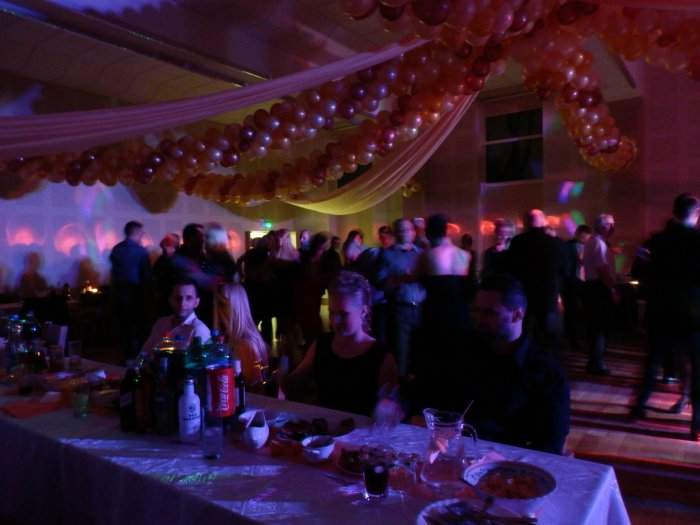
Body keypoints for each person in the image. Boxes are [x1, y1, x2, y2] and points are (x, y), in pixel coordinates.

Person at [460, 275, 570, 454]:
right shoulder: (467, 352)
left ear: (517, 315)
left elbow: (552, 442)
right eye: (476, 311)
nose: (479, 319)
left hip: (514, 462)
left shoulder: (545, 371)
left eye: (489, 313)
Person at [282, 271, 399, 416]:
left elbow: (391, 410)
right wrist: (282, 367)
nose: (334, 321)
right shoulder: (322, 344)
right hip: (324, 427)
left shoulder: (381, 357)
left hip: (361, 430)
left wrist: (389, 405)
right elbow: (293, 384)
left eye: (343, 314)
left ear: (363, 311)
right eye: (331, 312)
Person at [632, 194, 700, 440]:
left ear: (674, 211)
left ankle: (639, 406)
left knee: (652, 362)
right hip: (692, 315)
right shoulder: (698, 241)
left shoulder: (656, 240)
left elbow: (638, 271)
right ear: (696, 213)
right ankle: (697, 424)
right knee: (697, 367)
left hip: (660, 311)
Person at [414, 214, 472, 391]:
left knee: (436, 361)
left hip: (435, 313)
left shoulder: (427, 256)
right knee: (457, 358)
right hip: (461, 314)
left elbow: (416, 279)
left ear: (429, 232)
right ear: (446, 231)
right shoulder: (465, 255)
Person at [507, 209, 566, 350]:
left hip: (524, 295)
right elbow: (564, 270)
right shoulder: (556, 243)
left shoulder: (517, 242)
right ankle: (546, 360)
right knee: (547, 336)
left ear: (526, 223)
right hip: (548, 295)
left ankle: (522, 359)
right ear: (544, 222)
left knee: (523, 333)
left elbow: (510, 268)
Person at [374, 219, 425, 376]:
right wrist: (400, 278)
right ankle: (400, 387)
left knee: (421, 355)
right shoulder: (386, 254)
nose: (407, 232)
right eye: (403, 229)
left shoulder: (421, 253)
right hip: (399, 310)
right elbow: (379, 282)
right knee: (401, 355)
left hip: (422, 309)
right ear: (396, 233)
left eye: (410, 229)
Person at [109, 221, 152, 361]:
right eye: (141, 233)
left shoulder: (116, 249)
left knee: (124, 329)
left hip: (119, 295)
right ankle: (138, 359)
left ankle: (126, 359)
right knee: (138, 329)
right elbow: (147, 277)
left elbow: (114, 274)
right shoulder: (141, 251)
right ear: (137, 233)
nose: (142, 236)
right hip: (136, 296)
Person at [582, 214, 618, 375]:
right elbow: (602, 270)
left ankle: (594, 361)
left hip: (593, 287)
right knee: (599, 327)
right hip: (598, 288)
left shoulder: (593, 242)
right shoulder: (598, 243)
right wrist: (612, 289)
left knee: (595, 326)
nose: (613, 228)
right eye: (612, 224)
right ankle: (596, 363)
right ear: (604, 226)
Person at [216, 283, 269, 386]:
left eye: (222, 304)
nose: (218, 309)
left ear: (235, 307)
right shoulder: (232, 339)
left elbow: (250, 386)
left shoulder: (244, 344)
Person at [142, 280, 211, 353]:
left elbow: (203, 359)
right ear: (170, 300)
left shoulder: (199, 329)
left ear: (196, 302)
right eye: (178, 298)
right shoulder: (161, 323)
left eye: (188, 298)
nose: (182, 303)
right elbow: (144, 352)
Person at [562, 225, 592, 351]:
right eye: (582, 237)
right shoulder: (567, 246)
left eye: (587, 238)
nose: (584, 240)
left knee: (587, 312)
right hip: (572, 282)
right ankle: (573, 340)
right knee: (572, 312)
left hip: (588, 283)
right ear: (577, 234)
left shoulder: (592, 247)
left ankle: (585, 339)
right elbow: (564, 265)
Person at [153, 234, 180, 316]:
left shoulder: (179, 260)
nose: (164, 246)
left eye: (167, 244)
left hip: (174, 297)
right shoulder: (161, 260)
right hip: (163, 298)